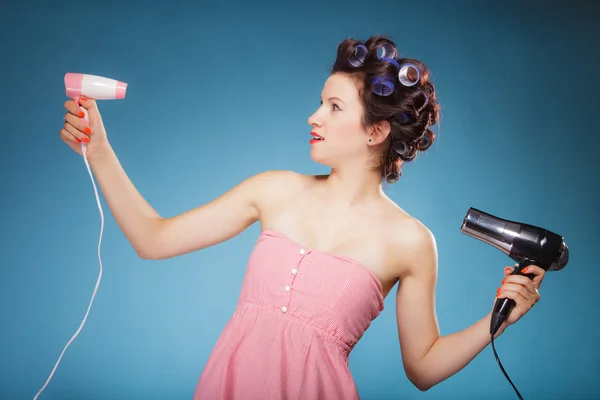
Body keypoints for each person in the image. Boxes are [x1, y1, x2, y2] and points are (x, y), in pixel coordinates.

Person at [60, 35, 545, 399]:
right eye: (319, 102)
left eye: (333, 106)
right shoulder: (273, 189)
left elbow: (422, 367)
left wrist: (498, 319)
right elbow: (153, 239)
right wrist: (98, 150)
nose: (314, 117)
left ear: (376, 130)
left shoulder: (411, 241)